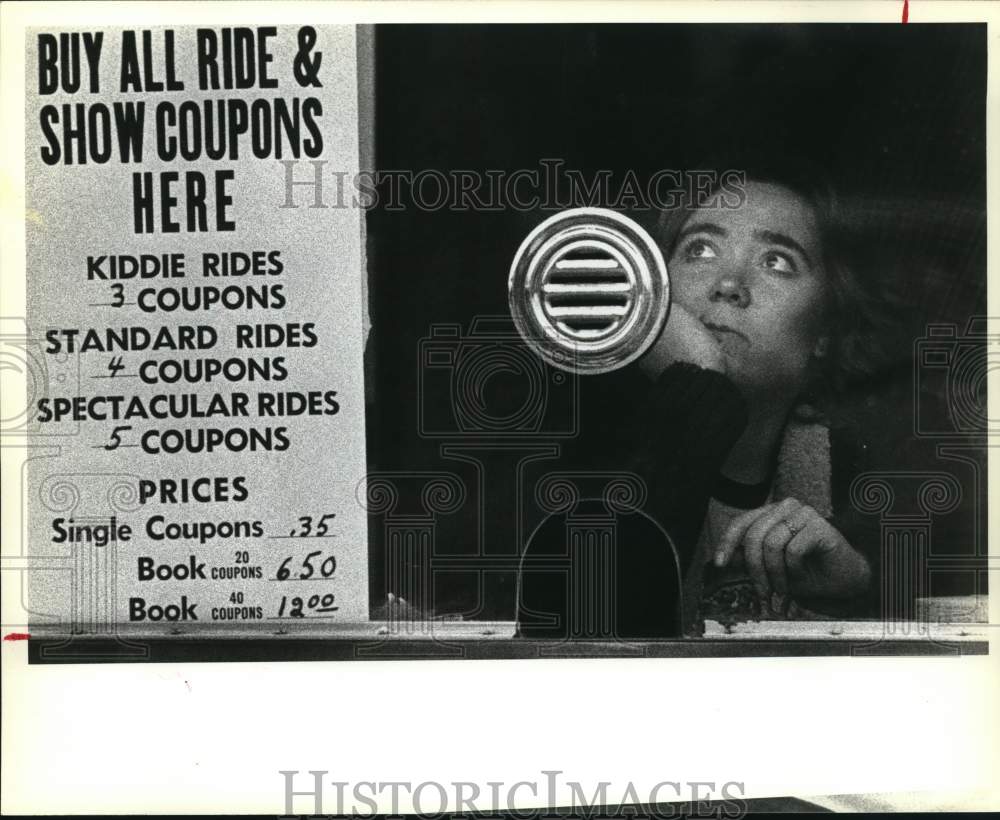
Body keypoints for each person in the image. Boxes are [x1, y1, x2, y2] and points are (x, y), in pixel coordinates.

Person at [517, 162, 908, 638]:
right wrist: (699, 382)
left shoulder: (865, 490)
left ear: (824, 331)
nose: (729, 285)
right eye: (700, 250)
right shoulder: (559, 469)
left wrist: (858, 585)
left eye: (776, 261)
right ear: (650, 292)